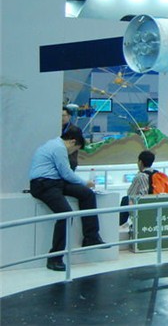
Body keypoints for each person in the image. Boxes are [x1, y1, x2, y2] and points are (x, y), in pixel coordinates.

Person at [28, 125, 107, 271]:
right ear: (72, 141)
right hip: (44, 184)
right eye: (75, 149)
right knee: (65, 214)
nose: (73, 152)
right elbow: (66, 173)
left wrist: (84, 186)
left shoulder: (54, 145)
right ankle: (55, 258)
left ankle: (91, 237)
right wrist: (85, 182)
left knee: (87, 194)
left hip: (55, 182)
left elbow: (63, 175)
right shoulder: (59, 148)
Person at [119, 150, 159, 225]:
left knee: (125, 199)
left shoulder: (140, 176)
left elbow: (130, 193)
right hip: (157, 205)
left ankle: (120, 224)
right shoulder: (158, 174)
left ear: (140, 162)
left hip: (144, 207)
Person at [62, 106, 78, 171]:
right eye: (60, 115)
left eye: (63, 115)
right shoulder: (56, 129)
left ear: (69, 116)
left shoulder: (74, 130)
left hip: (69, 162)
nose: (61, 118)